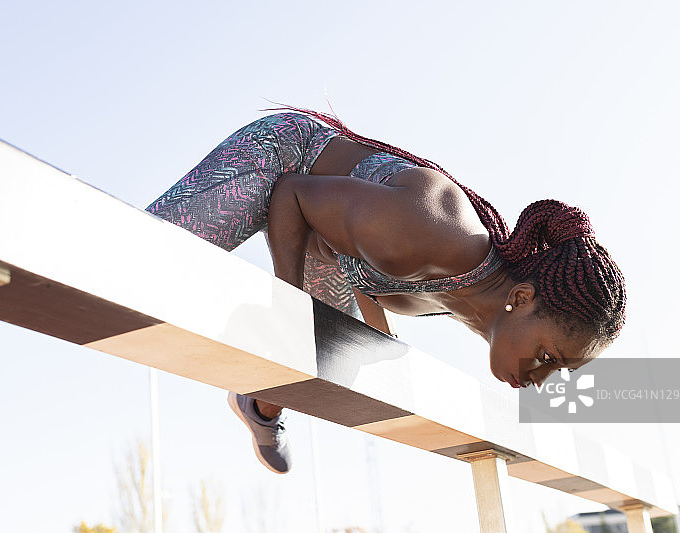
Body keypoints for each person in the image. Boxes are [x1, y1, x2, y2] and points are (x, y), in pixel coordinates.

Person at [145, 107, 626, 474]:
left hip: (327, 242)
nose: (540, 379)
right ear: (521, 299)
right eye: (548, 355)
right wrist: (286, 310)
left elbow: (369, 279)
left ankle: (259, 402)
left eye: (557, 372)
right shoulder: (435, 233)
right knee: (138, 255)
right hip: (286, 161)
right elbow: (292, 192)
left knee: (348, 355)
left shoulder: (470, 296)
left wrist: (374, 343)